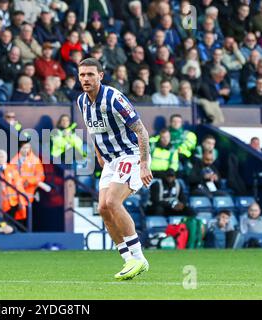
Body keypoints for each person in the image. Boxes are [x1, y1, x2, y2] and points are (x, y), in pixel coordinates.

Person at [77, 58, 152, 280]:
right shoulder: (82, 101)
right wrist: (99, 155)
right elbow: (92, 131)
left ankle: (139, 258)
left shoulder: (114, 98)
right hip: (110, 161)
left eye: (90, 74)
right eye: (82, 75)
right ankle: (128, 259)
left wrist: (145, 163)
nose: (86, 79)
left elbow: (141, 131)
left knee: (112, 202)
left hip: (131, 154)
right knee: (102, 208)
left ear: (100, 75)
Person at [10, 140, 45, 222]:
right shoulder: (14, 160)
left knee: (30, 220)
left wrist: (29, 181)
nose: (25, 149)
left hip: (31, 196)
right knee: (17, 219)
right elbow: (10, 176)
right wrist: (21, 183)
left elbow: (41, 176)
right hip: (16, 196)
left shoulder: (35, 160)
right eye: (23, 147)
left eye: (27, 147)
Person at [0, 149, 28, 223]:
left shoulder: (12, 169)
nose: (2, 158)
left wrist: (21, 202)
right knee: (0, 223)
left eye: (3, 156)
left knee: (10, 223)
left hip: (12, 203)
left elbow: (19, 186)